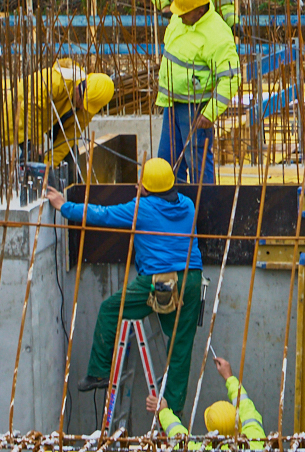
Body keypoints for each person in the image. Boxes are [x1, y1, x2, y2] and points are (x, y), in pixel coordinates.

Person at [48, 157, 204, 406]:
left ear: (148, 187)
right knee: (180, 351)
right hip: (193, 280)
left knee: (111, 309)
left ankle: (99, 371)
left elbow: (103, 215)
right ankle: (172, 416)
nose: (136, 186)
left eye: (140, 183)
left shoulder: (142, 208)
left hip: (163, 281)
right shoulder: (187, 204)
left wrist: (64, 206)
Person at [157, 0, 241, 184]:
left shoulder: (218, 35)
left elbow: (231, 79)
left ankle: (204, 208)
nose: (179, 15)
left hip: (195, 108)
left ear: (200, 10)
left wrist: (209, 112)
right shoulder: (181, 19)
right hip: (171, 103)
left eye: (184, 12)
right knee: (167, 165)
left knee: (198, 165)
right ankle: (173, 210)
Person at [3, 64, 115, 172]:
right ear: (78, 87)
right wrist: (36, 144)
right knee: (32, 156)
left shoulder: (89, 104)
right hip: (22, 113)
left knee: (71, 157)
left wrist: (49, 164)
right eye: (81, 102)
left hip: (52, 117)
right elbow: (30, 109)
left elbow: (69, 136)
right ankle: (24, 180)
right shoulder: (56, 81)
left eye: (85, 106)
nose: (81, 107)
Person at [148, 353, 265, 442]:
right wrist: (229, 377)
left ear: (210, 428)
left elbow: (177, 433)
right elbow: (244, 404)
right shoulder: (255, 436)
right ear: (239, 421)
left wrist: (163, 411)